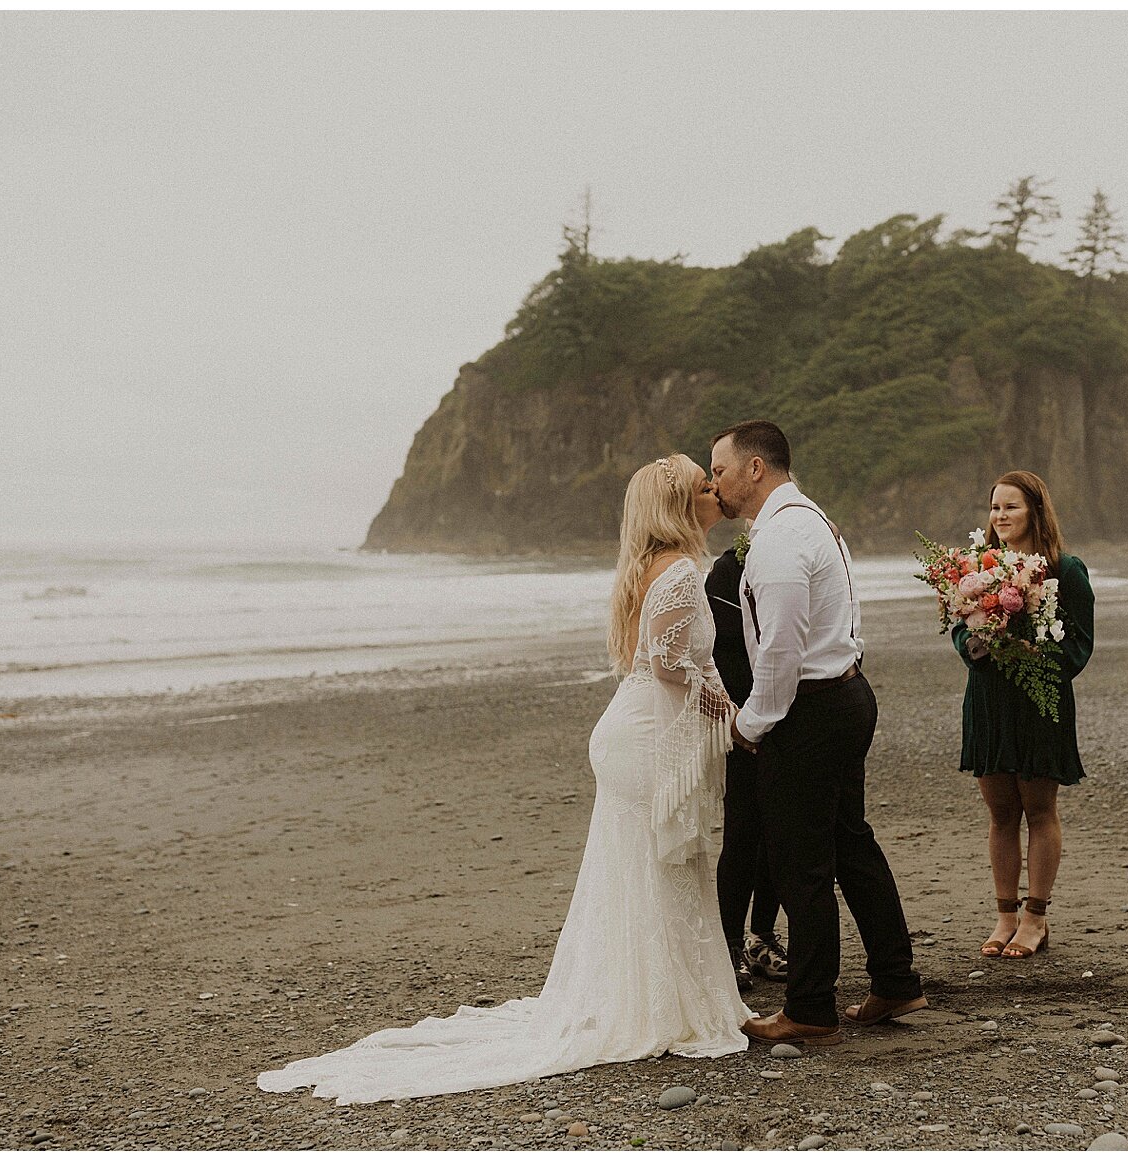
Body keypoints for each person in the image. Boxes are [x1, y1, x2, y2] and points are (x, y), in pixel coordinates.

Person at [257, 454, 748, 1103]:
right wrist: (721, 704)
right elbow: (664, 661)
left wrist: (708, 692)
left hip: (633, 731)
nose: (715, 492)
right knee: (660, 868)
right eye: (702, 487)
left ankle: (660, 997)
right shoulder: (681, 569)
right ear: (682, 505)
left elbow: (658, 654)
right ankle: (667, 1006)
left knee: (644, 869)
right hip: (646, 736)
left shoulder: (649, 566)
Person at [709, 420, 925, 1047]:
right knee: (850, 842)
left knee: (800, 861)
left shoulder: (780, 540)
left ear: (755, 469)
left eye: (719, 469)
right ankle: (894, 977)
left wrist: (751, 725)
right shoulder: (812, 522)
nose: (713, 482)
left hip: (810, 708)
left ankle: (810, 1008)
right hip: (844, 692)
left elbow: (779, 651)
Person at [953, 470, 1094, 960]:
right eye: (995, 508)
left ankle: (1036, 917)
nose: (1000, 516)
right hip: (988, 700)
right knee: (1000, 813)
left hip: (1040, 702)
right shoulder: (977, 566)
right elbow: (959, 621)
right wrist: (973, 644)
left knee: (1038, 809)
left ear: (1035, 510)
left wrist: (1029, 655)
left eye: (1010, 507)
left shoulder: (1064, 569)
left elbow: (1080, 643)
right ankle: (1005, 915)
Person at [706, 528, 789, 992]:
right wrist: (748, 718)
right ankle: (731, 944)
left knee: (779, 833)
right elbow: (718, 653)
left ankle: (763, 936)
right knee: (741, 831)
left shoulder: (791, 560)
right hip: (744, 720)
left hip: (791, 713)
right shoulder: (725, 571)